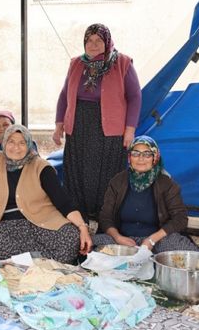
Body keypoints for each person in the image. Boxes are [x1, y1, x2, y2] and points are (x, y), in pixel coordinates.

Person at [0, 125, 91, 264]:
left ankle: (22, 260)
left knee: (70, 238)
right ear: (4, 143)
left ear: (29, 145)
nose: (16, 147)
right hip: (8, 226)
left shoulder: (41, 167)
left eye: (22, 143)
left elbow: (63, 202)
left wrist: (82, 227)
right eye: (11, 142)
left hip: (43, 223)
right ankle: (41, 259)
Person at [53, 23, 141, 218]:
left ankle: (105, 219)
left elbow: (135, 97)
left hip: (108, 129)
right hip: (78, 127)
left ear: (107, 42)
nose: (93, 45)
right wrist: (59, 125)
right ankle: (80, 218)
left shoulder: (122, 63)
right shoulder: (76, 63)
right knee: (78, 173)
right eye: (89, 41)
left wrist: (130, 130)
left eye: (98, 40)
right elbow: (64, 95)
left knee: (106, 174)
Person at [91, 136, 198, 253]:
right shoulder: (118, 181)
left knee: (181, 250)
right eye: (135, 153)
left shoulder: (166, 183)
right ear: (129, 157)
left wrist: (152, 240)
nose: (140, 158)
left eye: (147, 154)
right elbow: (105, 217)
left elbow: (180, 218)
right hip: (123, 240)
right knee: (93, 247)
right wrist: (118, 237)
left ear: (155, 157)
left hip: (157, 241)